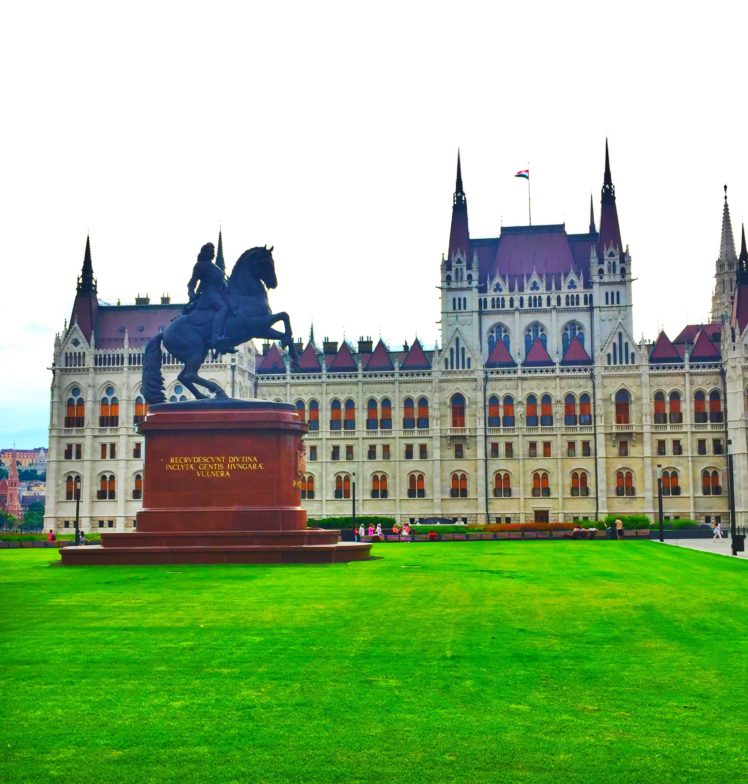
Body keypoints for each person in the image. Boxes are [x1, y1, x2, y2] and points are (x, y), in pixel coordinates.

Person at [185, 242, 231, 349]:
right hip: (208, 294)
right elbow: (192, 283)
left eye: (214, 251)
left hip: (219, 293)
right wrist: (191, 294)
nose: (213, 253)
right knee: (223, 308)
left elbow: (221, 281)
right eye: (211, 251)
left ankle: (227, 338)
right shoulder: (200, 265)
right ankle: (215, 336)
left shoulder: (215, 266)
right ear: (206, 252)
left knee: (233, 308)